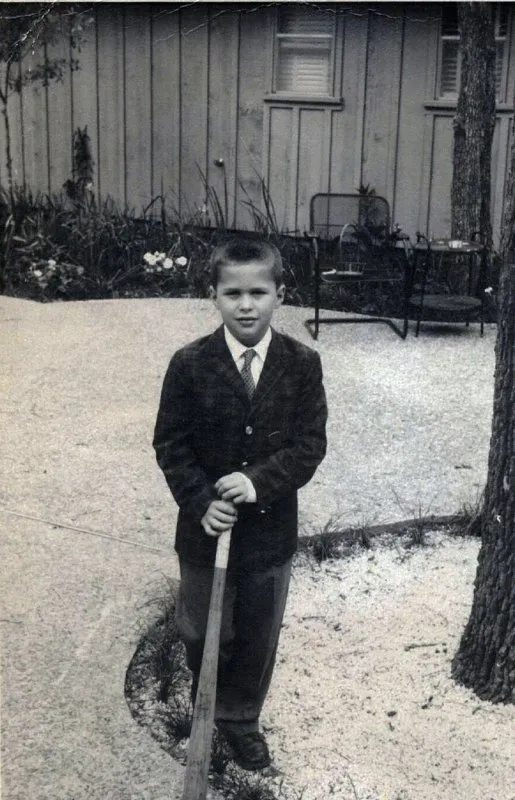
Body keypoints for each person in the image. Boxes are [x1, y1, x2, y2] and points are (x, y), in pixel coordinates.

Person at [153, 236, 327, 771]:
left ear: (280, 294)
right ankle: (204, 705)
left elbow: (308, 444)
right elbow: (171, 444)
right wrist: (203, 500)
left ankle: (239, 717)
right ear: (214, 296)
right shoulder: (189, 364)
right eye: (233, 293)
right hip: (204, 533)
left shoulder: (301, 364)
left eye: (258, 292)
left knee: (256, 633)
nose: (246, 305)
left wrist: (257, 483)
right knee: (202, 628)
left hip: (269, 538)